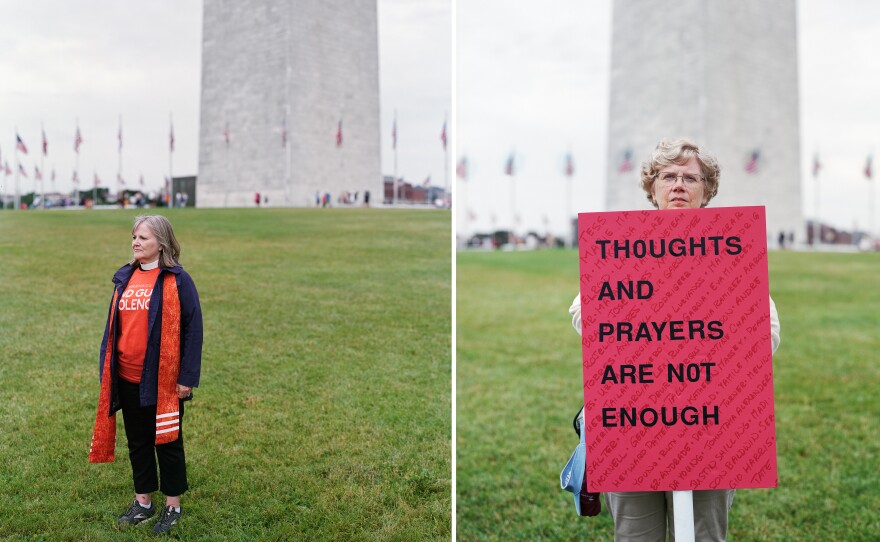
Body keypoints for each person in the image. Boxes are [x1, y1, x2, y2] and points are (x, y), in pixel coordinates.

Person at [568, 138, 781, 542]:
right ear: (652, 188)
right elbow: (584, 315)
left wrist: (704, 344)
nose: (679, 184)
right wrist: (653, 331)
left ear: (707, 190)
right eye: (668, 176)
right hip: (633, 422)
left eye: (690, 177)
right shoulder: (621, 248)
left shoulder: (732, 252)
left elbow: (765, 333)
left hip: (709, 425)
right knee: (634, 534)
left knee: (704, 534)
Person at [90, 215, 203, 536]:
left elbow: (194, 331)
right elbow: (113, 329)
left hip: (163, 381)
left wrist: (186, 377)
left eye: (143, 238)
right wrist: (107, 370)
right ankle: (143, 501)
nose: (135, 242)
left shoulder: (177, 280)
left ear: (161, 244)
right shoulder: (125, 277)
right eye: (134, 237)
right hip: (126, 376)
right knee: (138, 442)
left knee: (167, 441)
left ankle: (172, 505)